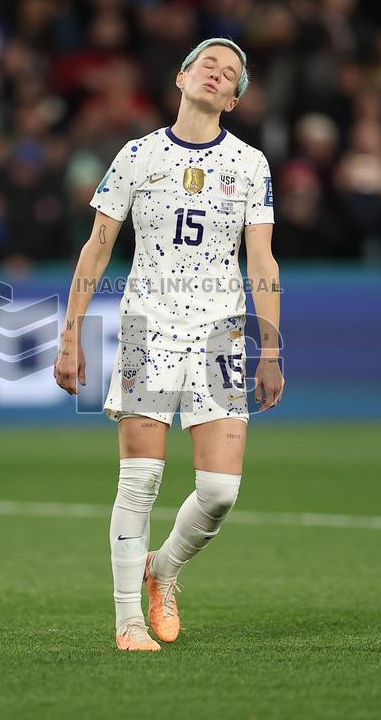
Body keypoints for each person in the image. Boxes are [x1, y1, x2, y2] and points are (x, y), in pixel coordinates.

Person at [53, 38, 285, 652]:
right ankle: (129, 620)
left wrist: (271, 348)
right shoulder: (136, 156)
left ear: (233, 99)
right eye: (207, 63)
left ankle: (165, 568)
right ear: (181, 78)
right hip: (145, 327)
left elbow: (261, 259)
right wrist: (71, 332)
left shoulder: (251, 165)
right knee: (140, 481)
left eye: (230, 72)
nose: (217, 72)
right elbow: (97, 247)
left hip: (222, 331)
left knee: (219, 492)